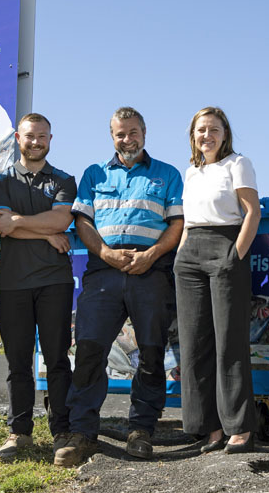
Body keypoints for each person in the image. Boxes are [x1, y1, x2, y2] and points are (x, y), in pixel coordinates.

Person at [53, 107, 184, 467]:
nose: (127, 139)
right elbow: (83, 222)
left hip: (151, 271)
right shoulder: (94, 174)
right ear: (112, 137)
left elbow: (177, 224)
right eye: (120, 134)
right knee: (90, 351)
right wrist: (106, 253)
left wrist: (152, 254)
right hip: (103, 271)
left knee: (152, 354)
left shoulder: (167, 175)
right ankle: (82, 433)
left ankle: (141, 430)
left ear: (144, 132)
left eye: (133, 132)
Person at [0, 113, 77, 459]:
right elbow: (0, 226)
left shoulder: (65, 180)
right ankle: (19, 433)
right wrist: (47, 232)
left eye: (42, 136)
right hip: (12, 283)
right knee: (18, 364)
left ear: (50, 139)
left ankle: (62, 431)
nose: (35, 142)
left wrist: (22, 222)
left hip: (55, 281)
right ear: (18, 140)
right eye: (29, 136)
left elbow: (62, 218)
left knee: (57, 360)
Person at [173, 106, 261, 454]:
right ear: (193, 136)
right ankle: (208, 428)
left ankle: (239, 428)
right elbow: (190, 221)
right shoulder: (190, 172)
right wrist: (180, 256)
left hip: (226, 247)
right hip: (190, 253)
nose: (206, 135)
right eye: (200, 130)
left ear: (225, 134)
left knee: (230, 341)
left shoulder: (238, 164)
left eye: (213, 129)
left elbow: (252, 212)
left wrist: (235, 255)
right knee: (195, 345)